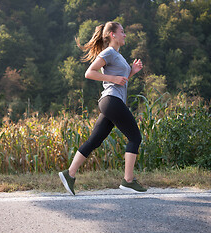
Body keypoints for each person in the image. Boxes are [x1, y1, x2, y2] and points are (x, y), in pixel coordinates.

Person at [59, 21, 147, 195]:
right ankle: (128, 181)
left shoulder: (118, 55)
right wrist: (113, 79)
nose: (125, 34)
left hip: (111, 102)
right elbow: (89, 72)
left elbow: (121, 80)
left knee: (94, 141)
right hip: (111, 100)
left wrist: (132, 72)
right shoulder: (109, 52)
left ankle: (69, 174)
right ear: (112, 35)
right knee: (135, 137)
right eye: (122, 31)